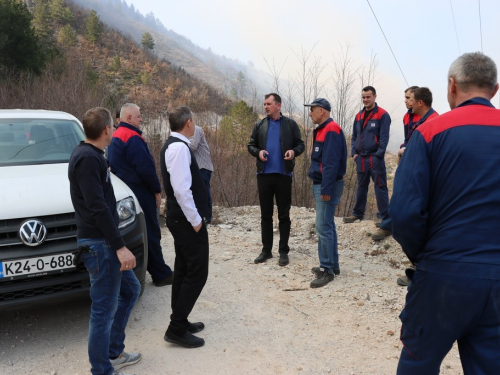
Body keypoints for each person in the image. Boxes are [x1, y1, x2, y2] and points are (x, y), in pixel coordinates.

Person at [391, 52, 500, 374]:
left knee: (419, 362)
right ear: (494, 90)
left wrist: (424, 256)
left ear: (452, 86)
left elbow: (404, 213)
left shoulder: (429, 133)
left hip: (442, 273)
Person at [68, 107, 141, 375]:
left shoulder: (93, 155)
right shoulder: (87, 158)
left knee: (130, 290)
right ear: (106, 129)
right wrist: (120, 246)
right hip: (100, 246)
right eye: (113, 125)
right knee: (103, 310)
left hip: (105, 242)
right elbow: (97, 206)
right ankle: (101, 369)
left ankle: (113, 351)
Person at [108, 103, 174, 287]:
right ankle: (161, 274)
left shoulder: (116, 136)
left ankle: (144, 272)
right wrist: (156, 190)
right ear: (129, 118)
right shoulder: (132, 137)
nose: (141, 119)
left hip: (125, 193)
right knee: (151, 232)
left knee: (136, 233)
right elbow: (145, 169)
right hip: (140, 191)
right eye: (138, 116)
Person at [160, 106, 209, 349]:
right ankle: (176, 328)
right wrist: (196, 220)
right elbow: (181, 190)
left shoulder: (175, 145)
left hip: (182, 220)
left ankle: (180, 318)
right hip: (187, 221)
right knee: (197, 272)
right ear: (188, 123)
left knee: (183, 269)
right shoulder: (179, 148)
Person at [248, 93, 305, 266]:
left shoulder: (290, 124)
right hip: (264, 176)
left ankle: (283, 251)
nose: (265, 106)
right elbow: (251, 145)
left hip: (284, 176)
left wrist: (294, 152)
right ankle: (266, 251)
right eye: (264, 104)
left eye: (268, 104)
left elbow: (300, 144)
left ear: (278, 106)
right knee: (265, 215)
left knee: (284, 215)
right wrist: (258, 152)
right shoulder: (259, 125)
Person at [305, 98, 347, 288]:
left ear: (322, 111)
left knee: (322, 227)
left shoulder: (331, 130)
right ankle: (333, 265)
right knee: (327, 225)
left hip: (325, 184)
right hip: (323, 183)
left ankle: (327, 269)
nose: (310, 113)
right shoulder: (324, 129)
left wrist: (327, 188)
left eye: (312, 110)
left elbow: (331, 162)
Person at [343, 86, 391, 229]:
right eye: (363, 97)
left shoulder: (382, 115)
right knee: (361, 187)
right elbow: (354, 136)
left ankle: (385, 217)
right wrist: (354, 153)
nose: (365, 100)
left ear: (375, 96)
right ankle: (357, 213)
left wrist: (378, 156)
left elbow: (384, 138)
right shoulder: (358, 116)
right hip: (361, 158)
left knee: (380, 187)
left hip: (375, 158)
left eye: (368, 97)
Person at [189, 125, 214, 223]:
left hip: (203, 166)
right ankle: (200, 215)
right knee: (197, 192)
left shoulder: (196, 129)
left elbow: (194, 146)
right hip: (196, 168)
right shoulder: (186, 133)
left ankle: (207, 217)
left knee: (204, 191)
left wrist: (180, 140)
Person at [397, 86, 420, 162]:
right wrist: (403, 148)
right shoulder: (406, 117)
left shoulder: (424, 116)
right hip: (408, 154)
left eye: (408, 98)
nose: (405, 101)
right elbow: (407, 138)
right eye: (405, 98)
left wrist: (406, 149)